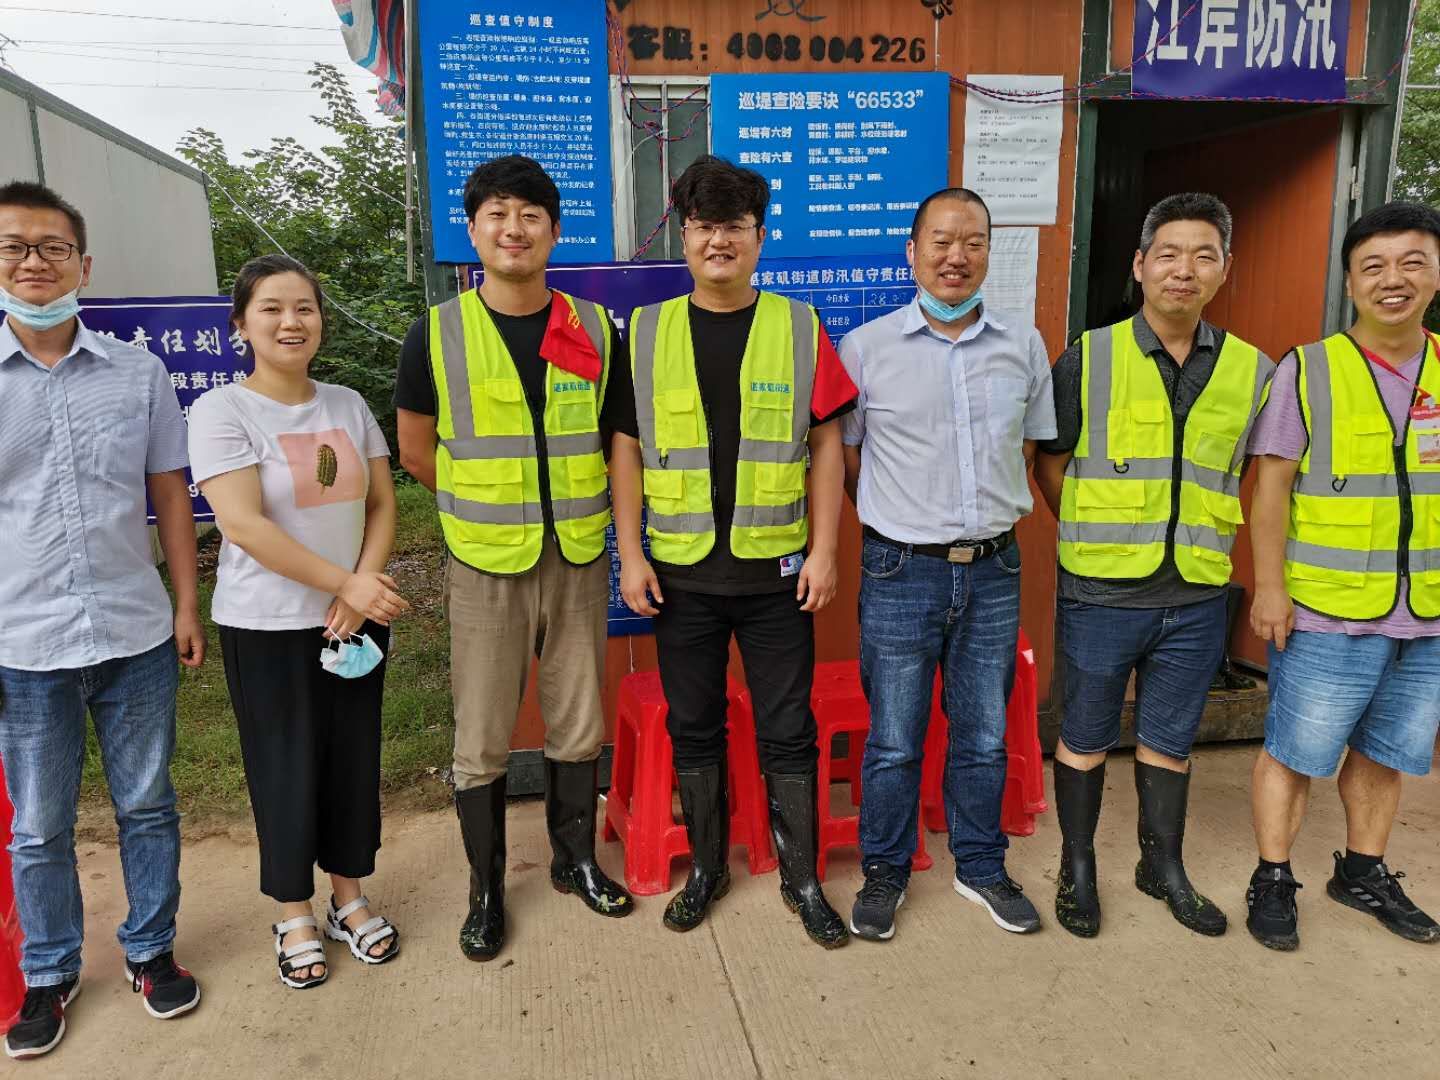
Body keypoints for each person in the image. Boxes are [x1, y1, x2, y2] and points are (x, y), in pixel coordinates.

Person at [609, 155, 857, 947]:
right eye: (705, 226)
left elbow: (827, 444)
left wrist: (825, 550)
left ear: (759, 237)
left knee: (789, 727)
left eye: (736, 227)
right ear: (685, 237)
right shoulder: (646, 332)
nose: (720, 241)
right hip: (680, 577)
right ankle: (708, 870)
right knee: (695, 726)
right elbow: (625, 448)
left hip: (777, 577)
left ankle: (802, 879)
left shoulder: (799, 326)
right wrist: (631, 554)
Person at [395, 155, 633, 961]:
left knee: (579, 718)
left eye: (531, 214)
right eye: (497, 213)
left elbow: (615, 438)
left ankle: (575, 861)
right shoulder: (436, 332)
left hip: (577, 553)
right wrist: (487, 505)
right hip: (484, 561)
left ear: (554, 231)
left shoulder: (594, 327)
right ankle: (486, 890)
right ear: (473, 231)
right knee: (484, 732)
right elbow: (417, 450)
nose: (514, 228)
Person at [1034, 193, 1272, 939]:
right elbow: (1050, 463)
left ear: (1225, 269)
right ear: (1139, 266)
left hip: (1197, 594)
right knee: (1085, 735)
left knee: (1170, 739)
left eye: (1204, 255)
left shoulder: (1253, 371)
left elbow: (1246, 473)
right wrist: (1092, 532)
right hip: (1101, 593)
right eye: (1168, 254)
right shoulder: (1089, 356)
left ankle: (1161, 865)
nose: (1184, 270)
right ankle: (1077, 867)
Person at [0, 182, 202, 1059]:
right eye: (13, 247)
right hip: (22, 641)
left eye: (51, 247)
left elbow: (169, 496)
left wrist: (187, 603)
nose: (33, 262)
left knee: (148, 805)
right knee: (38, 824)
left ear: (83, 265)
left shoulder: (136, 371)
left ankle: (151, 952)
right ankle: (49, 971)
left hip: (135, 629)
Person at [840, 187, 1055, 942]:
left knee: (984, 733)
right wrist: (904, 523)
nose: (955, 256)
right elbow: (850, 461)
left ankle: (981, 865)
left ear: (990, 251)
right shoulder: (866, 349)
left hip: (993, 570)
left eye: (972, 242)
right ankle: (885, 869)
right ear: (912, 251)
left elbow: (1028, 449)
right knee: (895, 737)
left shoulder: (1022, 346)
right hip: (901, 570)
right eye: (940, 241)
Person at [189, 254, 405, 988]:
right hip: (268, 625)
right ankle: (293, 912)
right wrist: (345, 583)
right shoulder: (222, 411)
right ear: (240, 325)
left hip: (355, 618)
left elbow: (382, 503)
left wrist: (360, 590)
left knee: (352, 761)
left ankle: (348, 896)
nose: (291, 321)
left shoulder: (346, 403)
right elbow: (243, 525)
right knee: (283, 768)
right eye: (272, 308)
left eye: (305, 308)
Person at [1244, 201, 1440, 951]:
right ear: (1351, 282)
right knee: (1295, 751)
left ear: (1436, 275)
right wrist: (1270, 589)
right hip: (1328, 609)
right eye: (1374, 267)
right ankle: (1273, 875)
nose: (1394, 280)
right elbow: (1271, 488)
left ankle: (1363, 871)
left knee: (1388, 753)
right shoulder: (1309, 368)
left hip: (1427, 612)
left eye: (1413, 263)